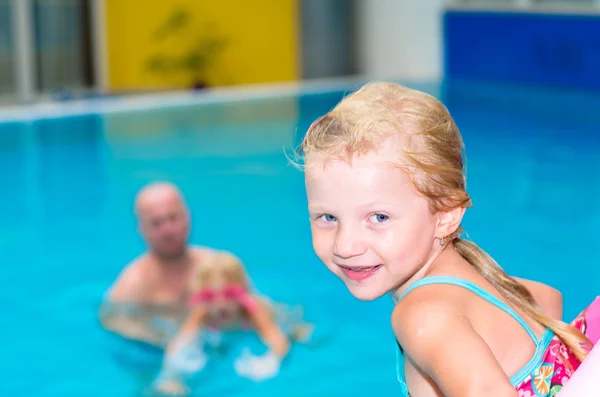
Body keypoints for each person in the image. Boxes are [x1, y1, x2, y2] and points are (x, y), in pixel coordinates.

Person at [298, 81, 599, 396]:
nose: (346, 246)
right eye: (328, 218)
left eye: (379, 218)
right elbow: (547, 299)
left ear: (445, 216)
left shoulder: (422, 316)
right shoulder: (479, 279)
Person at [152, 250, 313, 395]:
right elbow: (179, 345)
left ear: (243, 291)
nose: (220, 303)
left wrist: (269, 361)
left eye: (230, 294)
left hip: (270, 316)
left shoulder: (252, 311)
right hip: (222, 335)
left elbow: (277, 340)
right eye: (210, 296)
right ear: (200, 296)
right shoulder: (202, 312)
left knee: (299, 333)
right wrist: (171, 378)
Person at [99, 181, 217, 347]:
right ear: (142, 229)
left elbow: (257, 308)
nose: (168, 230)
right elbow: (115, 325)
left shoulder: (217, 266)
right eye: (156, 223)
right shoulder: (133, 284)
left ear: (187, 217)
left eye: (173, 218)